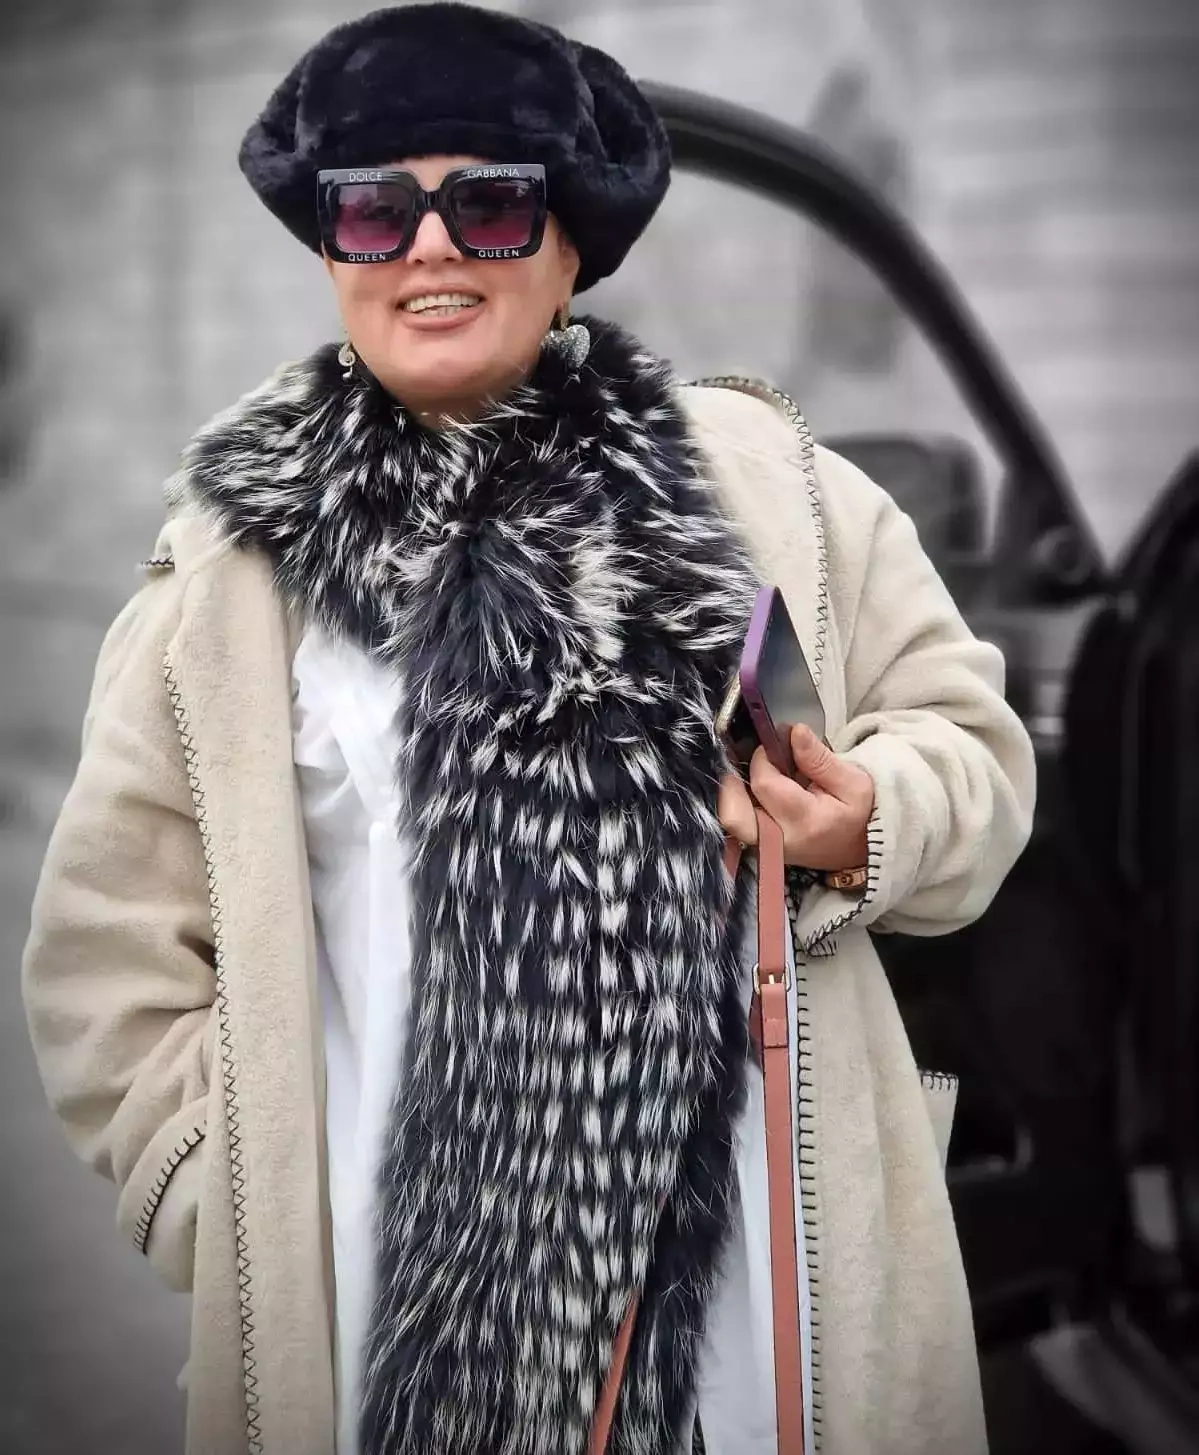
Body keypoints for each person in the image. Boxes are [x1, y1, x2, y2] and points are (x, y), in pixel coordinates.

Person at [20, 6, 1035, 1455]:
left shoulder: (772, 491)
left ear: (569, 242)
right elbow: (106, 959)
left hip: (768, 1304)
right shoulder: (227, 579)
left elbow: (969, 741)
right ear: (332, 250)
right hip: (381, 1327)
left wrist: (868, 815)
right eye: (376, 211)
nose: (429, 249)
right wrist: (246, 1207)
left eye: (488, 204)